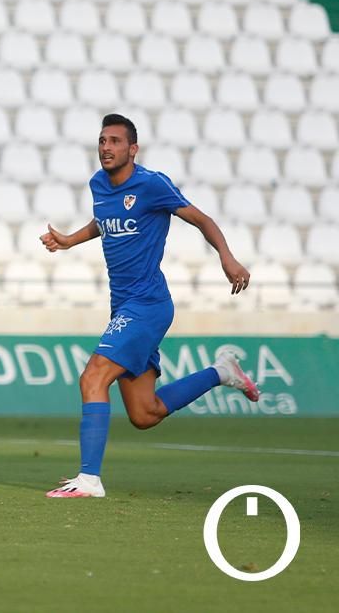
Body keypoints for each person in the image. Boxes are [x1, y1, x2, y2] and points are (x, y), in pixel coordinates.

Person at [40, 113, 260, 498]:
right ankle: (221, 372)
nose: (106, 147)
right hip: (123, 306)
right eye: (102, 140)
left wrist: (227, 257)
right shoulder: (98, 184)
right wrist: (71, 240)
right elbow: (104, 220)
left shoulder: (152, 184)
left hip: (147, 304)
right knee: (145, 413)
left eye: (115, 141)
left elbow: (201, 219)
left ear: (133, 149)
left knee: (93, 378)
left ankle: (89, 480)